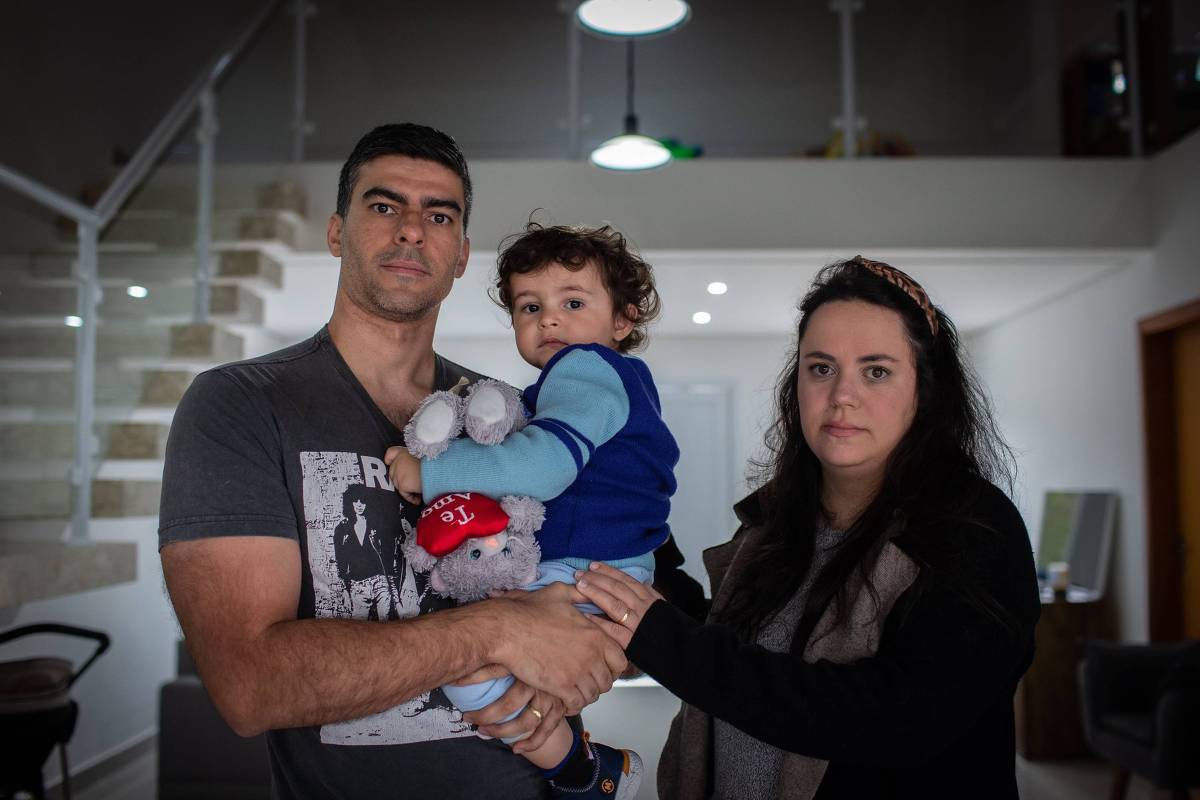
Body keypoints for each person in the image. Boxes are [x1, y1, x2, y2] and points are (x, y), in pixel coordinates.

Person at [157, 123, 631, 799]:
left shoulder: (508, 415)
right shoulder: (241, 404)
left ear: (461, 255)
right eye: (384, 206)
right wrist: (500, 630)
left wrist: (593, 648)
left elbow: (617, 576)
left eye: (439, 216)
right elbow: (251, 684)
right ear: (336, 233)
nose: (411, 230)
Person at [575, 256, 1042, 799]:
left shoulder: (973, 530)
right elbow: (738, 649)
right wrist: (631, 537)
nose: (842, 395)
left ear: (926, 389)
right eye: (821, 368)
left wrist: (664, 639)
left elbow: (896, 720)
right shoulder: (777, 519)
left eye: (876, 371)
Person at [387, 221, 678, 798]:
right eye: (530, 306)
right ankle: (586, 767)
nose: (549, 320)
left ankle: (585, 774)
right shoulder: (610, 383)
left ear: (622, 320)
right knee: (512, 683)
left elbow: (545, 467)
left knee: (469, 677)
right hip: (603, 570)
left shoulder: (586, 368)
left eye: (573, 303)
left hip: (583, 572)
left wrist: (431, 472)